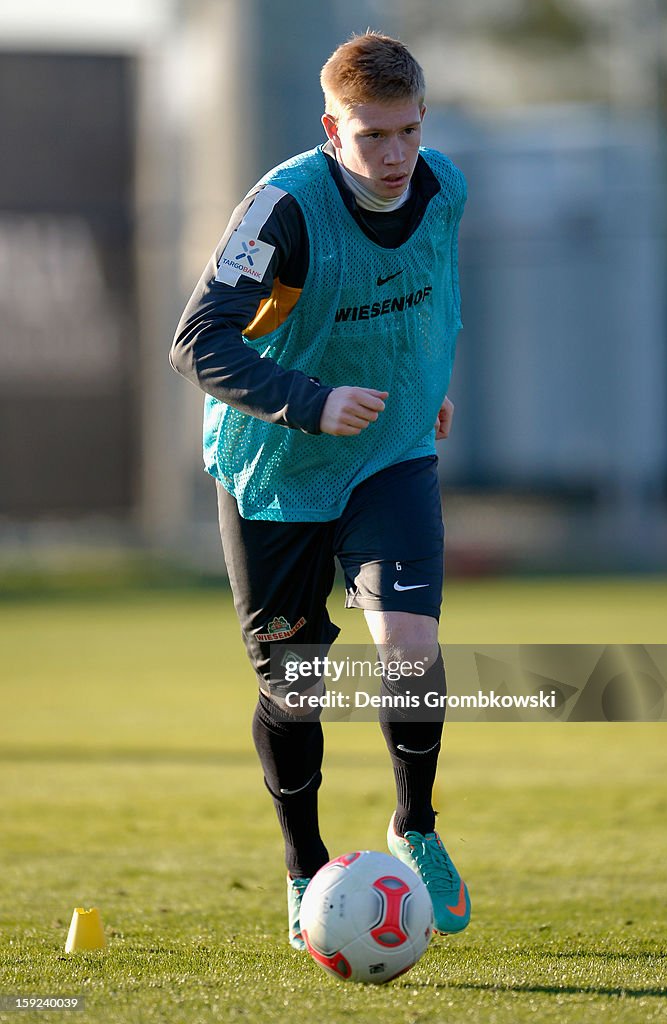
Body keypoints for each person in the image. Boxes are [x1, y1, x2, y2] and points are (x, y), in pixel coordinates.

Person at [171, 30, 470, 949]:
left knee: (410, 651)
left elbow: (426, 292)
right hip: (278, 471)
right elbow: (199, 340)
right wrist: (312, 402)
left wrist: (426, 387)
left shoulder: (444, 186)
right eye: (371, 135)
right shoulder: (282, 210)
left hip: (391, 456)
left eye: (408, 132)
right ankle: (305, 867)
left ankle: (414, 825)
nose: (393, 157)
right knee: (295, 689)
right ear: (330, 127)